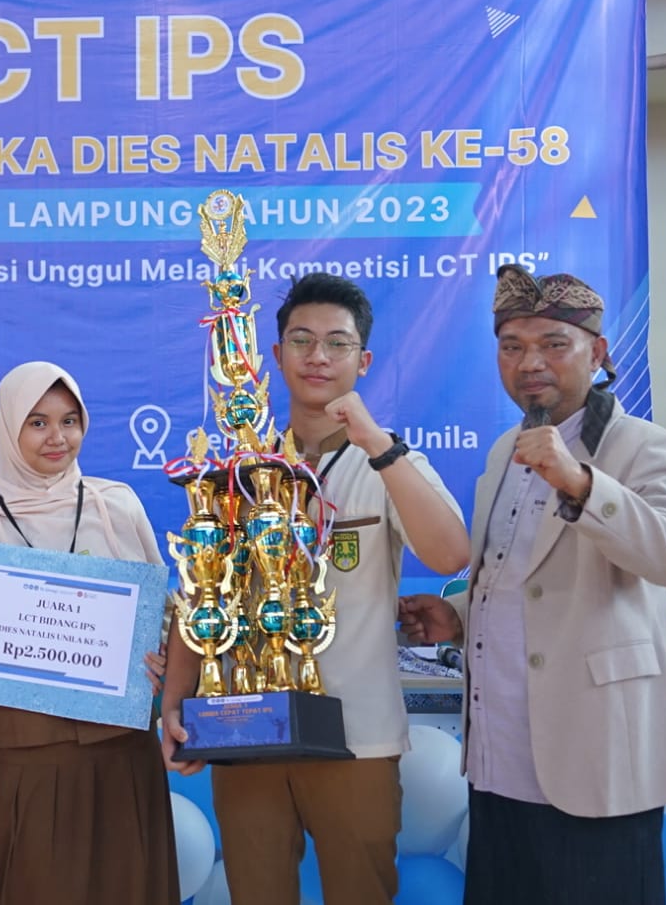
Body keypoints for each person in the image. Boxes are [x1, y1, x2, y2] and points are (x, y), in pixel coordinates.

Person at [162, 273, 472, 905]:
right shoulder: (237, 473)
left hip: (357, 738)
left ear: (364, 360)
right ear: (276, 356)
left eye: (337, 343)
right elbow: (203, 592)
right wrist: (174, 703)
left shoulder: (386, 462)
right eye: (302, 340)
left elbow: (450, 554)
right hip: (247, 730)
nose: (318, 356)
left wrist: (377, 445)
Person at [399, 265, 666, 905]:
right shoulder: (504, 451)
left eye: (553, 344)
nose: (530, 362)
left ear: (598, 352)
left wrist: (580, 482)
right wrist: (458, 614)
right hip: (500, 753)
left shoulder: (643, 446)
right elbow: (519, 577)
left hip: (596, 752)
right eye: (512, 346)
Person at [0, 361, 180, 905]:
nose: (58, 437)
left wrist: (167, 655)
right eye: (38, 422)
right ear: (9, 428)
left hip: (121, 750)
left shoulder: (115, 505)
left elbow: (159, 615)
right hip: (30, 755)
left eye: (69, 421)